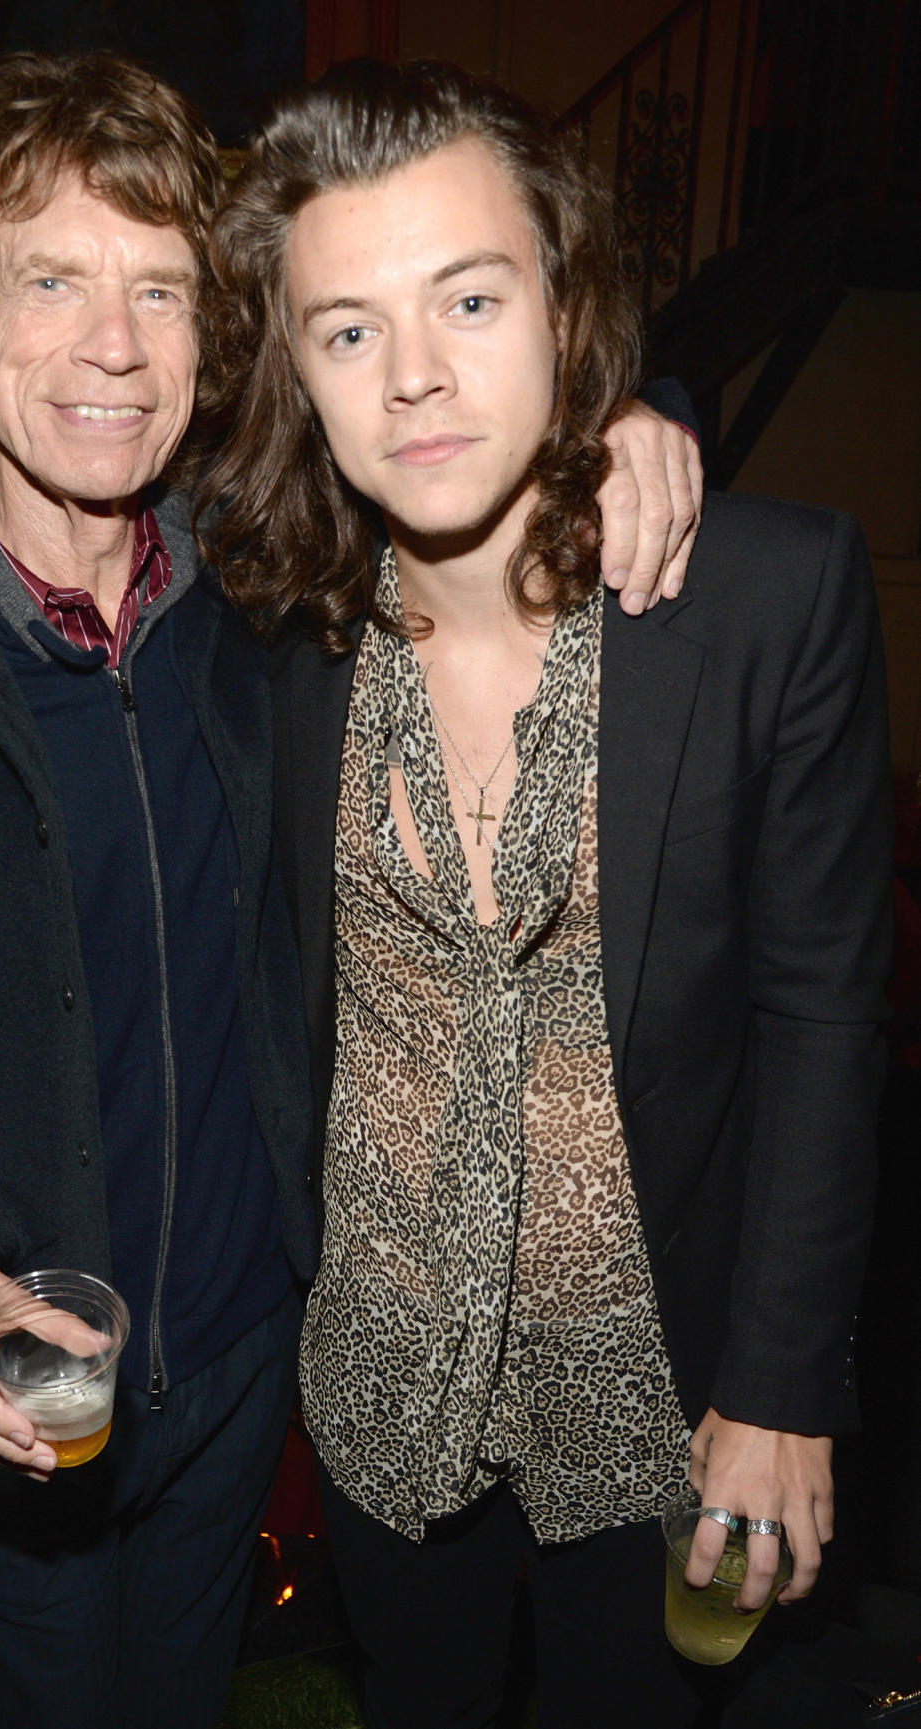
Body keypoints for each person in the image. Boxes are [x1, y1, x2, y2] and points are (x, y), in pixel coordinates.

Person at [0, 52, 700, 1729]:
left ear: (208, 338)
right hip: (25, 1387)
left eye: (161, 291)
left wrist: (624, 415)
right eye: (52, 281)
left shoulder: (264, 609)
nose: (113, 344)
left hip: (249, 1357)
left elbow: (451, 408)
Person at [200, 59, 893, 1728]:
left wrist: (779, 1389)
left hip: (655, 1387)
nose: (416, 377)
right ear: (295, 369)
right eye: (348, 329)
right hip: (379, 1380)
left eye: (470, 297)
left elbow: (822, 1008)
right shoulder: (265, 620)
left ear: (564, 304)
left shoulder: (759, 600)